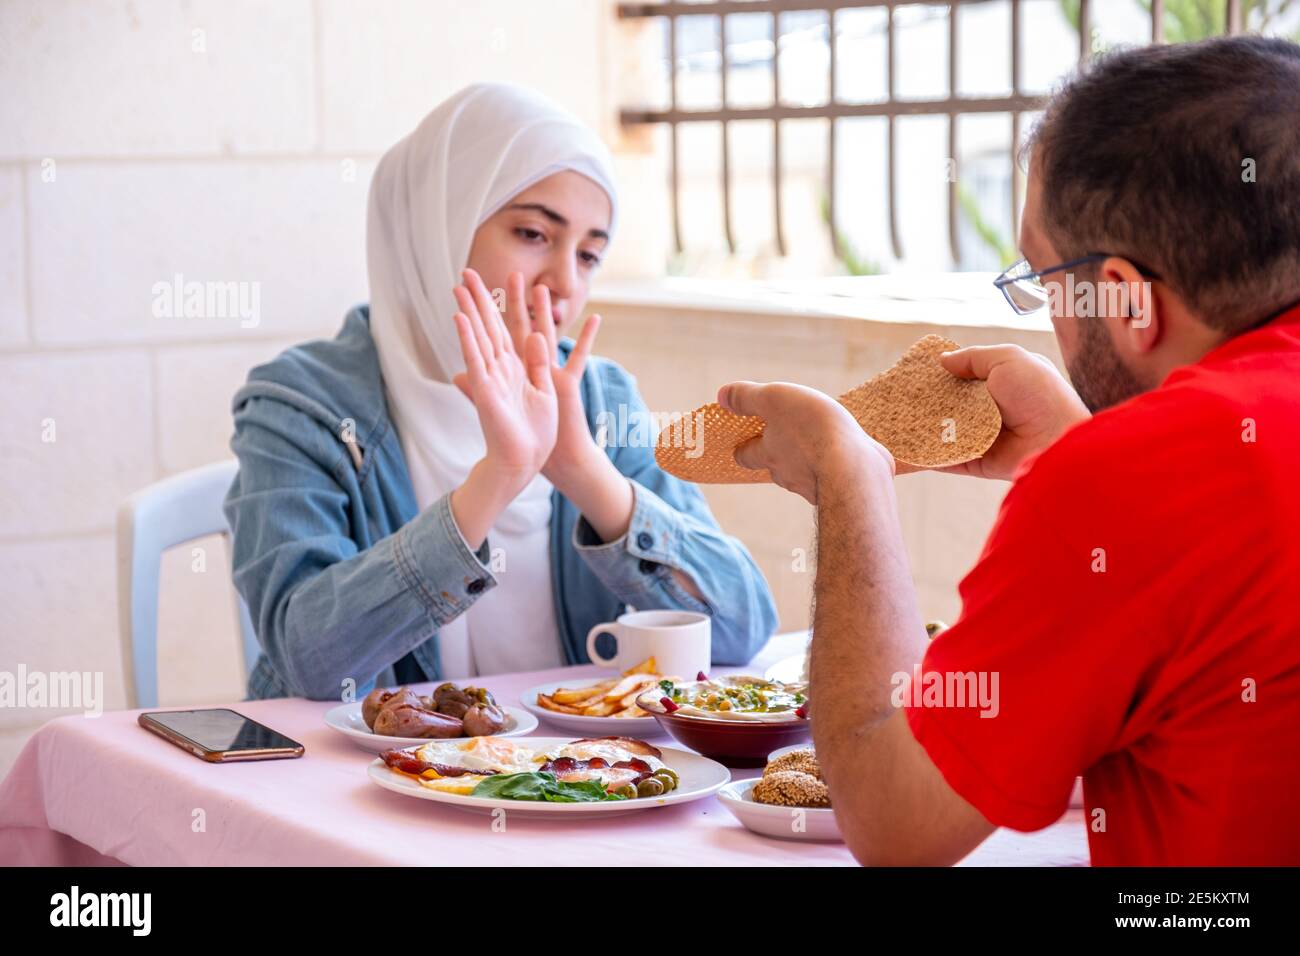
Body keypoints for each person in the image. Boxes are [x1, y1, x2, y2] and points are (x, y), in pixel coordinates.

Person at [718, 36, 1300, 865]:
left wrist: (851, 476)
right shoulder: (1155, 475)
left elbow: (897, 824)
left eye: (1043, 276)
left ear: (1127, 298)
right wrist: (1086, 449)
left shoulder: (1127, 480)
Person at [224, 83, 777, 701]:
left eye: (590, 254)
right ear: (438, 227)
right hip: (355, 786)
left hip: (571, 780)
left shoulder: (597, 398)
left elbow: (743, 627)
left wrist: (583, 471)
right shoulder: (302, 405)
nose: (564, 283)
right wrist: (499, 477)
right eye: (534, 234)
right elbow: (311, 661)